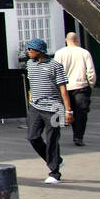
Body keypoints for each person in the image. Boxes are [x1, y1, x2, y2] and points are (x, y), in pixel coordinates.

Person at [24, 38, 73, 184]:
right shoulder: (29, 64)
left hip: (54, 108)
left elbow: (63, 89)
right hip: (35, 107)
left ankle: (54, 172)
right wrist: (30, 102)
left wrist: (68, 111)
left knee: (52, 139)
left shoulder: (55, 66)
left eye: (30, 50)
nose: (28, 52)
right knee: (33, 137)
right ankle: (56, 160)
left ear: (39, 51)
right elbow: (32, 85)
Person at [54, 32, 96, 146]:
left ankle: (56, 136)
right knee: (81, 113)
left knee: (67, 110)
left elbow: (55, 71)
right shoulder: (84, 53)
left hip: (65, 87)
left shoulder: (59, 53)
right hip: (81, 86)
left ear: (66, 40)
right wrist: (91, 84)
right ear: (77, 40)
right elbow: (90, 71)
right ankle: (78, 137)